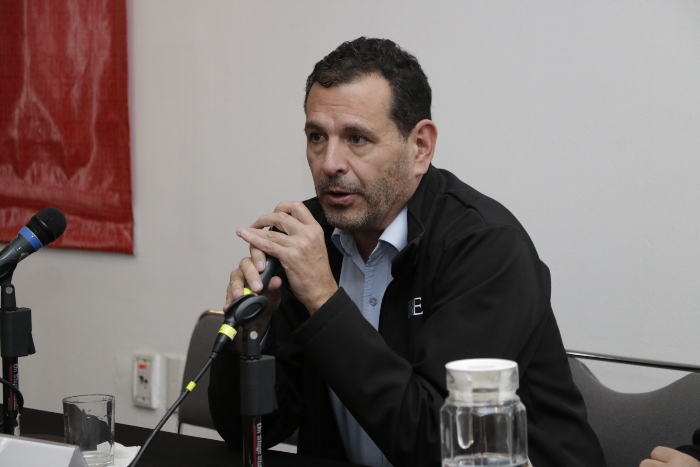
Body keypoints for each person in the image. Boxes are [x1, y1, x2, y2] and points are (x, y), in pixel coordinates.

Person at [208, 37, 606, 467]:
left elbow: (440, 446)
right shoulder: (309, 237)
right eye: (317, 136)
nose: (329, 162)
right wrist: (251, 340)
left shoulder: (487, 246)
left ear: (420, 147)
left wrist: (323, 300)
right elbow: (247, 431)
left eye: (357, 138)